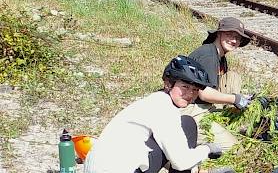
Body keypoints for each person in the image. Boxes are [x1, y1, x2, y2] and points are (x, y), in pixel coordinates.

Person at [83, 55, 225, 173]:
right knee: (188, 125)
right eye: (185, 87)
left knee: (184, 125)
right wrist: (207, 149)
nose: (190, 94)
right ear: (168, 84)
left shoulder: (153, 101)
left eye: (195, 90)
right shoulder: (163, 108)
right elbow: (181, 162)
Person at [183, 17, 254, 149]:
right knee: (234, 148)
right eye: (229, 35)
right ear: (219, 33)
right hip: (189, 110)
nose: (234, 40)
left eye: (237, 38)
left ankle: (222, 120)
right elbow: (204, 94)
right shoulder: (208, 56)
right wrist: (235, 99)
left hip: (202, 106)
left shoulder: (220, 56)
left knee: (233, 77)